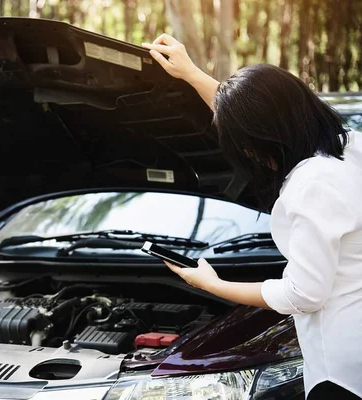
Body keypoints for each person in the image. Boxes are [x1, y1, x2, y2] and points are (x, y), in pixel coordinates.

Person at [142, 34, 362, 400]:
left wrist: (210, 284)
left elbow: (304, 293)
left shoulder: (311, 184)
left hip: (339, 372)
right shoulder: (349, 147)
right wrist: (194, 75)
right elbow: (266, 114)